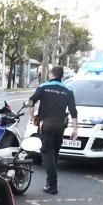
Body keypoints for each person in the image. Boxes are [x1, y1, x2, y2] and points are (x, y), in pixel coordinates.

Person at [28, 65, 78, 195]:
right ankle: (50, 181)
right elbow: (73, 111)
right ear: (61, 76)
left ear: (51, 74)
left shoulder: (44, 87)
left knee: (46, 154)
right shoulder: (68, 90)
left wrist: (32, 116)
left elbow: (31, 101)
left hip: (47, 124)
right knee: (55, 153)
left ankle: (52, 185)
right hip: (60, 125)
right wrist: (75, 129)